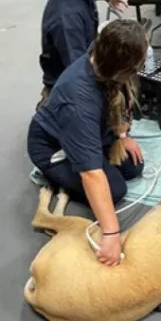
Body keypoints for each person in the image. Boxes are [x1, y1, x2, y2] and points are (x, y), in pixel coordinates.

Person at [28, 19, 147, 267]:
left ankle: (89, 154)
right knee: (114, 190)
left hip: (96, 130)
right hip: (53, 147)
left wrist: (122, 136)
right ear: (121, 69)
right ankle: (55, 175)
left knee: (134, 167)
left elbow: (117, 97)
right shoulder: (78, 103)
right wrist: (111, 233)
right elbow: (92, 174)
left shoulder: (102, 54)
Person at [37, 0, 129, 110]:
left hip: (81, 56)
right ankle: (52, 109)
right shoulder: (67, 20)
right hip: (67, 83)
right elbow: (78, 72)